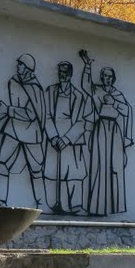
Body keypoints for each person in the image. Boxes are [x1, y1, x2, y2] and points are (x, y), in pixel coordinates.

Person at [0, 54, 46, 208]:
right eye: (18, 64)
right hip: (13, 130)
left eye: (21, 65)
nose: (18, 66)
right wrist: (6, 109)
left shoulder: (35, 88)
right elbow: (15, 107)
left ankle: (41, 204)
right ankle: (1, 202)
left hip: (31, 133)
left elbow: (32, 114)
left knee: (36, 170)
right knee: (2, 163)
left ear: (28, 69)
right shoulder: (13, 82)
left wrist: (8, 110)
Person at [79, 50, 134, 216]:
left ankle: (113, 207)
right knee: (99, 166)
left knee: (114, 168)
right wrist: (87, 66)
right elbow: (85, 85)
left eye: (110, 76)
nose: (107, 78)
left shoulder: (117, 94)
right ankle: (97, 207)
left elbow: (127, 110)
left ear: (113, 78)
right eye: (105, 76)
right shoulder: (97, 90)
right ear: (102, 77)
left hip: (115, 132)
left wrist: (114, 103)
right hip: (100, 129)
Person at [44, 61, 88, 214]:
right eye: (60, 72)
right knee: (54, 174)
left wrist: (67, 138)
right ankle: (56, 205)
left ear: (70, 74)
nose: (62, 75)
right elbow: (46, 115)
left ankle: (75, 205)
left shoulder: (79, 96)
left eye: (65, 73)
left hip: (72, 141)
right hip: (55, 139)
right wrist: (54, 137)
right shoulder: (50, 91)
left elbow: (82, 121)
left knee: (74, 174)